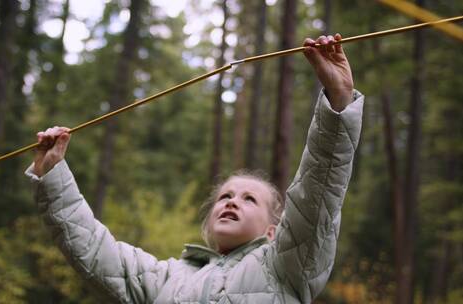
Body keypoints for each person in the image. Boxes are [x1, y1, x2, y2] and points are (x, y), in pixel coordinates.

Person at [26, 34, 364, 303]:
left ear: (274, 232)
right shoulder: (167, 278)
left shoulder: (285, 267)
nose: (232, 201)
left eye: (249, 200)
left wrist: (338, 102)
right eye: (226, 196)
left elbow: (316, 198)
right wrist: (53, 173)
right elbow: (95, 249)